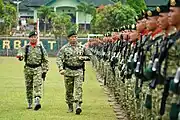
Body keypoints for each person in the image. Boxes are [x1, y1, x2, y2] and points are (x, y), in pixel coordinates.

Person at [56, 30, 91, 115]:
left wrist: (83, 58)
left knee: (78, 88)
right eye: (72, 37)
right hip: (68, 71)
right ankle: (70, 106)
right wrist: (61, 69)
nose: (74, 39)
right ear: (69, 38)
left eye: (75, 37)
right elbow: (59, 59)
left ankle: (78, 105)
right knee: (69, 90)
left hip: (79, 71)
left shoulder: (82, 47)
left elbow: (90, 56)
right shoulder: (64, 48)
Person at [16, 31, 49, 111]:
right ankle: (30, 103)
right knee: (28, 86)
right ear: (29, 38)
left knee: (37, 85)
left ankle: (37, 100)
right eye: (32, 37)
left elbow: (45, 59)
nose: (33, 38)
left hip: (38, 68)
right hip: (28, 68)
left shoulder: (40, 47)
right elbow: (21, 54)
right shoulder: (25, 47)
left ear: (37, 38)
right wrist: (20, 57)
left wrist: (44, 70)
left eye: (35, 37)